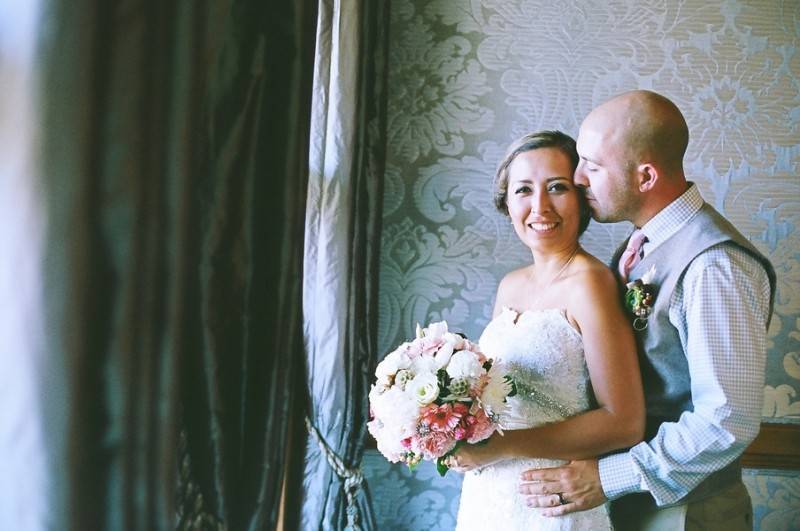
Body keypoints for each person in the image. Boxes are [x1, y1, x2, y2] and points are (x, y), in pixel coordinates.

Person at [518, 90, 776, 530]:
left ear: (646, 177)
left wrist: (608, 477)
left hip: (688, 514)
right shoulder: (638, 246)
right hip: (629, 507)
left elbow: (726, 420)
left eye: (592, 166)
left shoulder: (713, 265)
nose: (578, 179)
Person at [448, 130, 646, 530]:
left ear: (582, 199)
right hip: (489, 498)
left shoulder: (591, 284)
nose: (540, 206)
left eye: (557, 187)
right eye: (523, 190)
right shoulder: (510, 286)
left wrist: (502, 447)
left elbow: (624, 422)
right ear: (506, 202)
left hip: (552, 505)